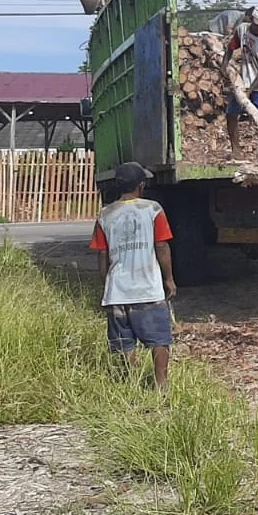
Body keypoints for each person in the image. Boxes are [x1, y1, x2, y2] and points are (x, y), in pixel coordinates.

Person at [90, 161, 177, 391]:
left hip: (117, 291)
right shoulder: (153, 209)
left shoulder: (105, 214)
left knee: (124, 343)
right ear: (141, 185)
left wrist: (107, 284)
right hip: (148, 288)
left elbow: (102, 256)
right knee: (159, 339)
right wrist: (168, 279)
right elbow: (162, 247)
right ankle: (161, 385)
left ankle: (133, 383)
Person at [226, 4, 258, 159]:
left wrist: (249, 92)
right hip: (243, 80)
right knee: (231, 114)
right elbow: (230, 47)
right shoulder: (242, 30)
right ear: (252, 21)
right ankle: (236, 150)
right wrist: (224, 67)